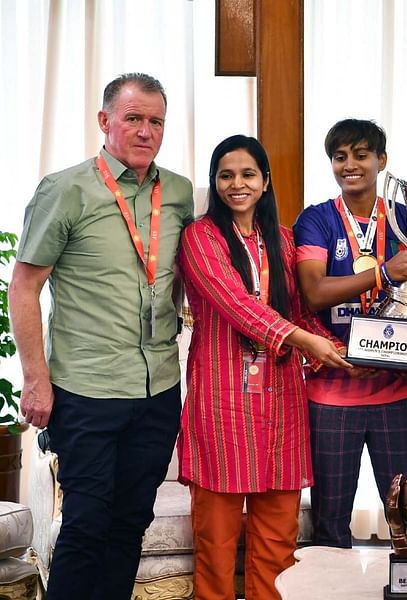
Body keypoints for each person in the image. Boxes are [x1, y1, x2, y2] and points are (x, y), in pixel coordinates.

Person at [8, 73, 193, 600]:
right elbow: (23, 288)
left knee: (130, 523)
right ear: (104, 121)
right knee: (87, 525)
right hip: (86, 389)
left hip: (157, 388)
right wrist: (35, 380)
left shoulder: (177, 192)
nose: (144, 131)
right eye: (133, 118)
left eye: (155, 121)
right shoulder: (66, 189)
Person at [178, 135, 351, 600]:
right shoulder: (200, 238)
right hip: (222, 403)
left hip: (280, 406)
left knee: (278, 544)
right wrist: (305, 340)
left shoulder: (285, 239)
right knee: (215, 545)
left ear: (265, 180)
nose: (237, 184)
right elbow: (237, 305)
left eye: (247, 174)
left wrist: (349, 351)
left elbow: (300, 314)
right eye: (226, 175)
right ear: (215, 184)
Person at [293, 118, 407, 548]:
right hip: (333, 394)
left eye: (361, 155)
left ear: (381, 160)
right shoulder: (316, 220)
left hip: (399, 391)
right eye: (340, 157)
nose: (350, 165)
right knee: (330, 525)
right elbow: (314, 292)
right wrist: (383, 272)